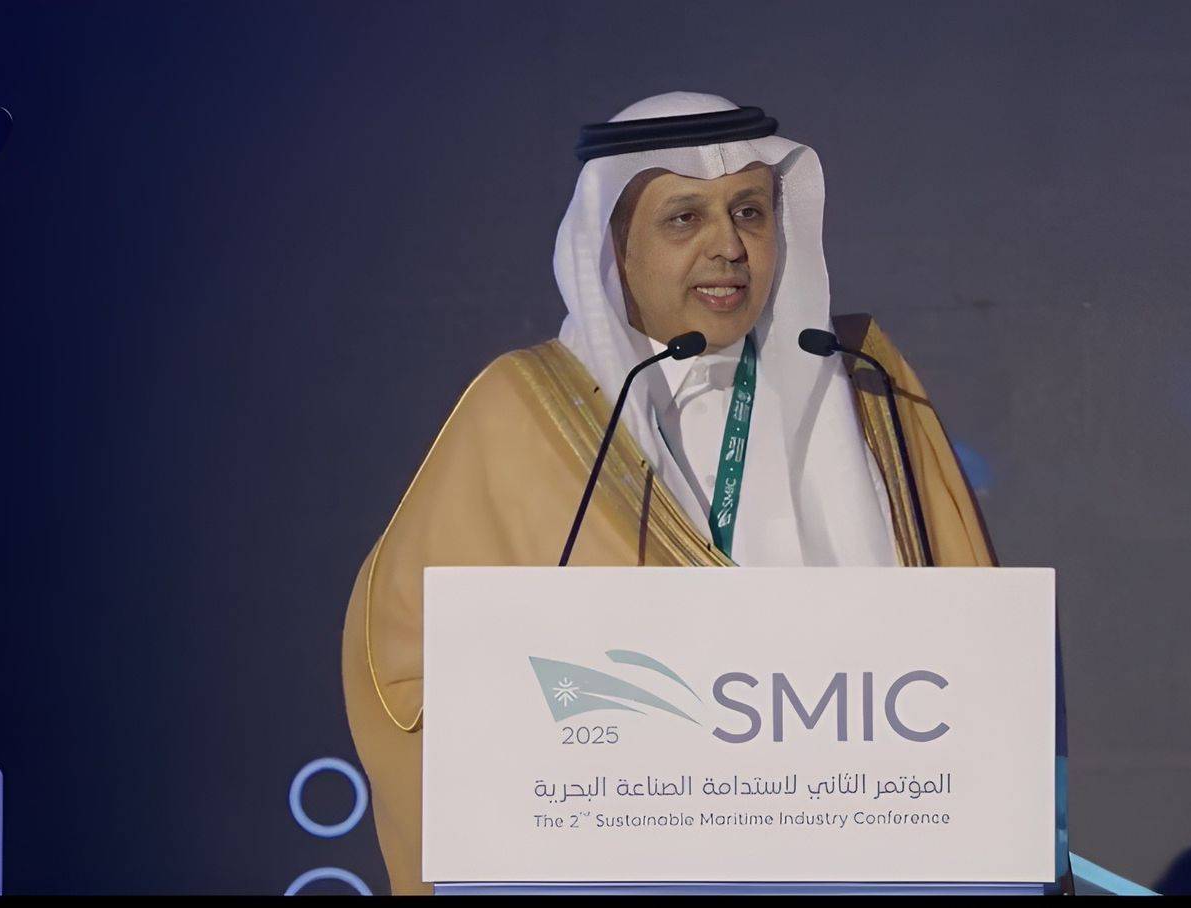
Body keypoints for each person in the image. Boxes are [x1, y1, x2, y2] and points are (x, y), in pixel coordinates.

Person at [341, 91, 1013, 895]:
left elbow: (978, 652)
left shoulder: (866, 387)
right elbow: (406, 672)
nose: (728, 246)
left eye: (750, 213)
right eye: (684, 219)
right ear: (614, 246)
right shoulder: (528, 411)